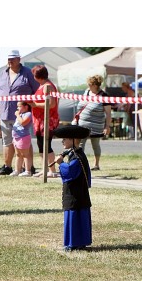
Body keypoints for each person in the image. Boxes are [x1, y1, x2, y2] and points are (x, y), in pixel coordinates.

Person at [0, 50, 39, 176]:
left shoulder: (28, 73)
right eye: (9, 58)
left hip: (23, 114)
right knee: (7, 141)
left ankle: (28, 167)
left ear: (19, 59)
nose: (10, 61)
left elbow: (36, 91)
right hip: (5, 112)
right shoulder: (2, 73)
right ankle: (7, 166)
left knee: (25, 140)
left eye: (13, 58)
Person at [53, 124, 92, 252]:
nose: (62, 141)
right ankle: (79, 242)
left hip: (75, 194)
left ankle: (73, 243)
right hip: (79, 193)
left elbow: (70, 172)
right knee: (78, 217)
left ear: (74, 140)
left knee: (74, 217)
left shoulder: (77, 156)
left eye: (65, 139)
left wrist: (61, 163)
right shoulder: (75, 154)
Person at [30, 64, 60, 178]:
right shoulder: (42, 85)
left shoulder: (48, 86)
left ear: (38, 76)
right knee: (41, 145)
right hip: (39, 120)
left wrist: (35, 104)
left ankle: (52, 170)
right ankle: (45, 169)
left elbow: (51, 104)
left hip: (47, 119)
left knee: (47, 144)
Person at [77, 75, 112, 171]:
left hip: (96, 125)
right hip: (82, 124)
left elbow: (108, 113)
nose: (88, 86)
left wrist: (107, 126)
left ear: (95, 85)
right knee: (80, 144)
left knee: (95, 145)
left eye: (90, 84)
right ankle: (80, 163)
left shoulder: (104, 96)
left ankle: (96, 164)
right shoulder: (86, 92)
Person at [10, 101, 33, 176]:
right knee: (18, 154)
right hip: (16, 137)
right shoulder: (21, 114)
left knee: (25, 154)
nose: (17, 108)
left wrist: (17, 115)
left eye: (19, 106)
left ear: (26, 107)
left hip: (23, 137)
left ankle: (28, 171)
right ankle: (17, 170)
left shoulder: (28, 114)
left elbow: (23, 123)